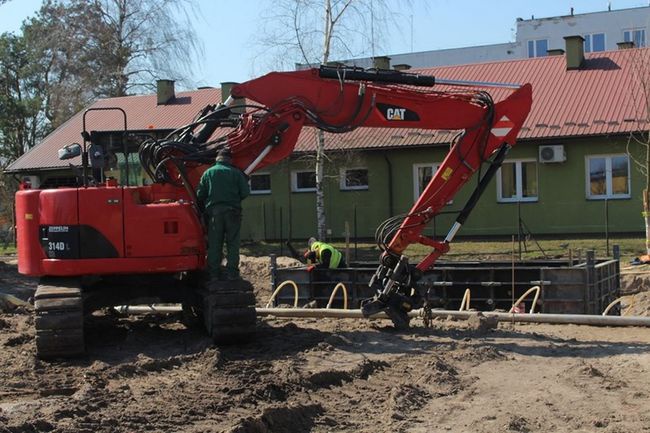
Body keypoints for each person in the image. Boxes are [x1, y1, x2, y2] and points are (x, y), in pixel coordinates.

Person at [196, 148, 250, 281]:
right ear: (230, 160)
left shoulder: (208, 173)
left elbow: (200, 194)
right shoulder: (236, 173)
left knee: (215, 243)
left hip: (215, 214)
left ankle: (214, 273)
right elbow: (245, 193)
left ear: (217, 160)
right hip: (233, 212)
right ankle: (232, 273)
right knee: (233, 243)